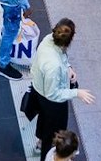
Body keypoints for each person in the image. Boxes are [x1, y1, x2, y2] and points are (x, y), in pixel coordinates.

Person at [29, 19, 94, 153]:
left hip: (38, 89)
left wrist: (68, 67)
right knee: (52, 132)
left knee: (43, 119)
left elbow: (62, 55)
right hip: (51, 101)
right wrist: (77, 93)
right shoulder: (53, 66)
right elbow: (52, 94)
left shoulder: (48, 39)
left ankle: (39, 143)